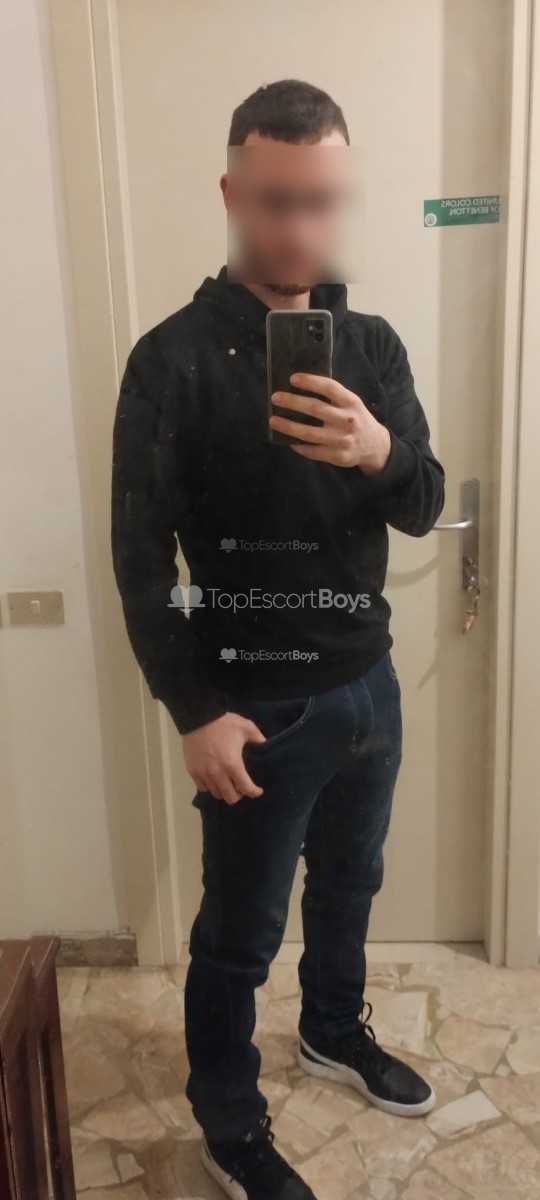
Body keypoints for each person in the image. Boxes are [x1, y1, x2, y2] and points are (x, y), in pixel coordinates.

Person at [111, 79, 445, 1200]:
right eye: (275, 200)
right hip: (253, 706)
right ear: (232, 193)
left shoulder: (372, 346)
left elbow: (422, 501)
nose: (300, 226)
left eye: (321, 200)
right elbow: (138, 558)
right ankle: (228, 1119)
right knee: (240, 933)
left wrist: (378, 452)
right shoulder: (169, 361)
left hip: (368, 687)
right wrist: (195, 711)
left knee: (351, 884)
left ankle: (332, 1029)